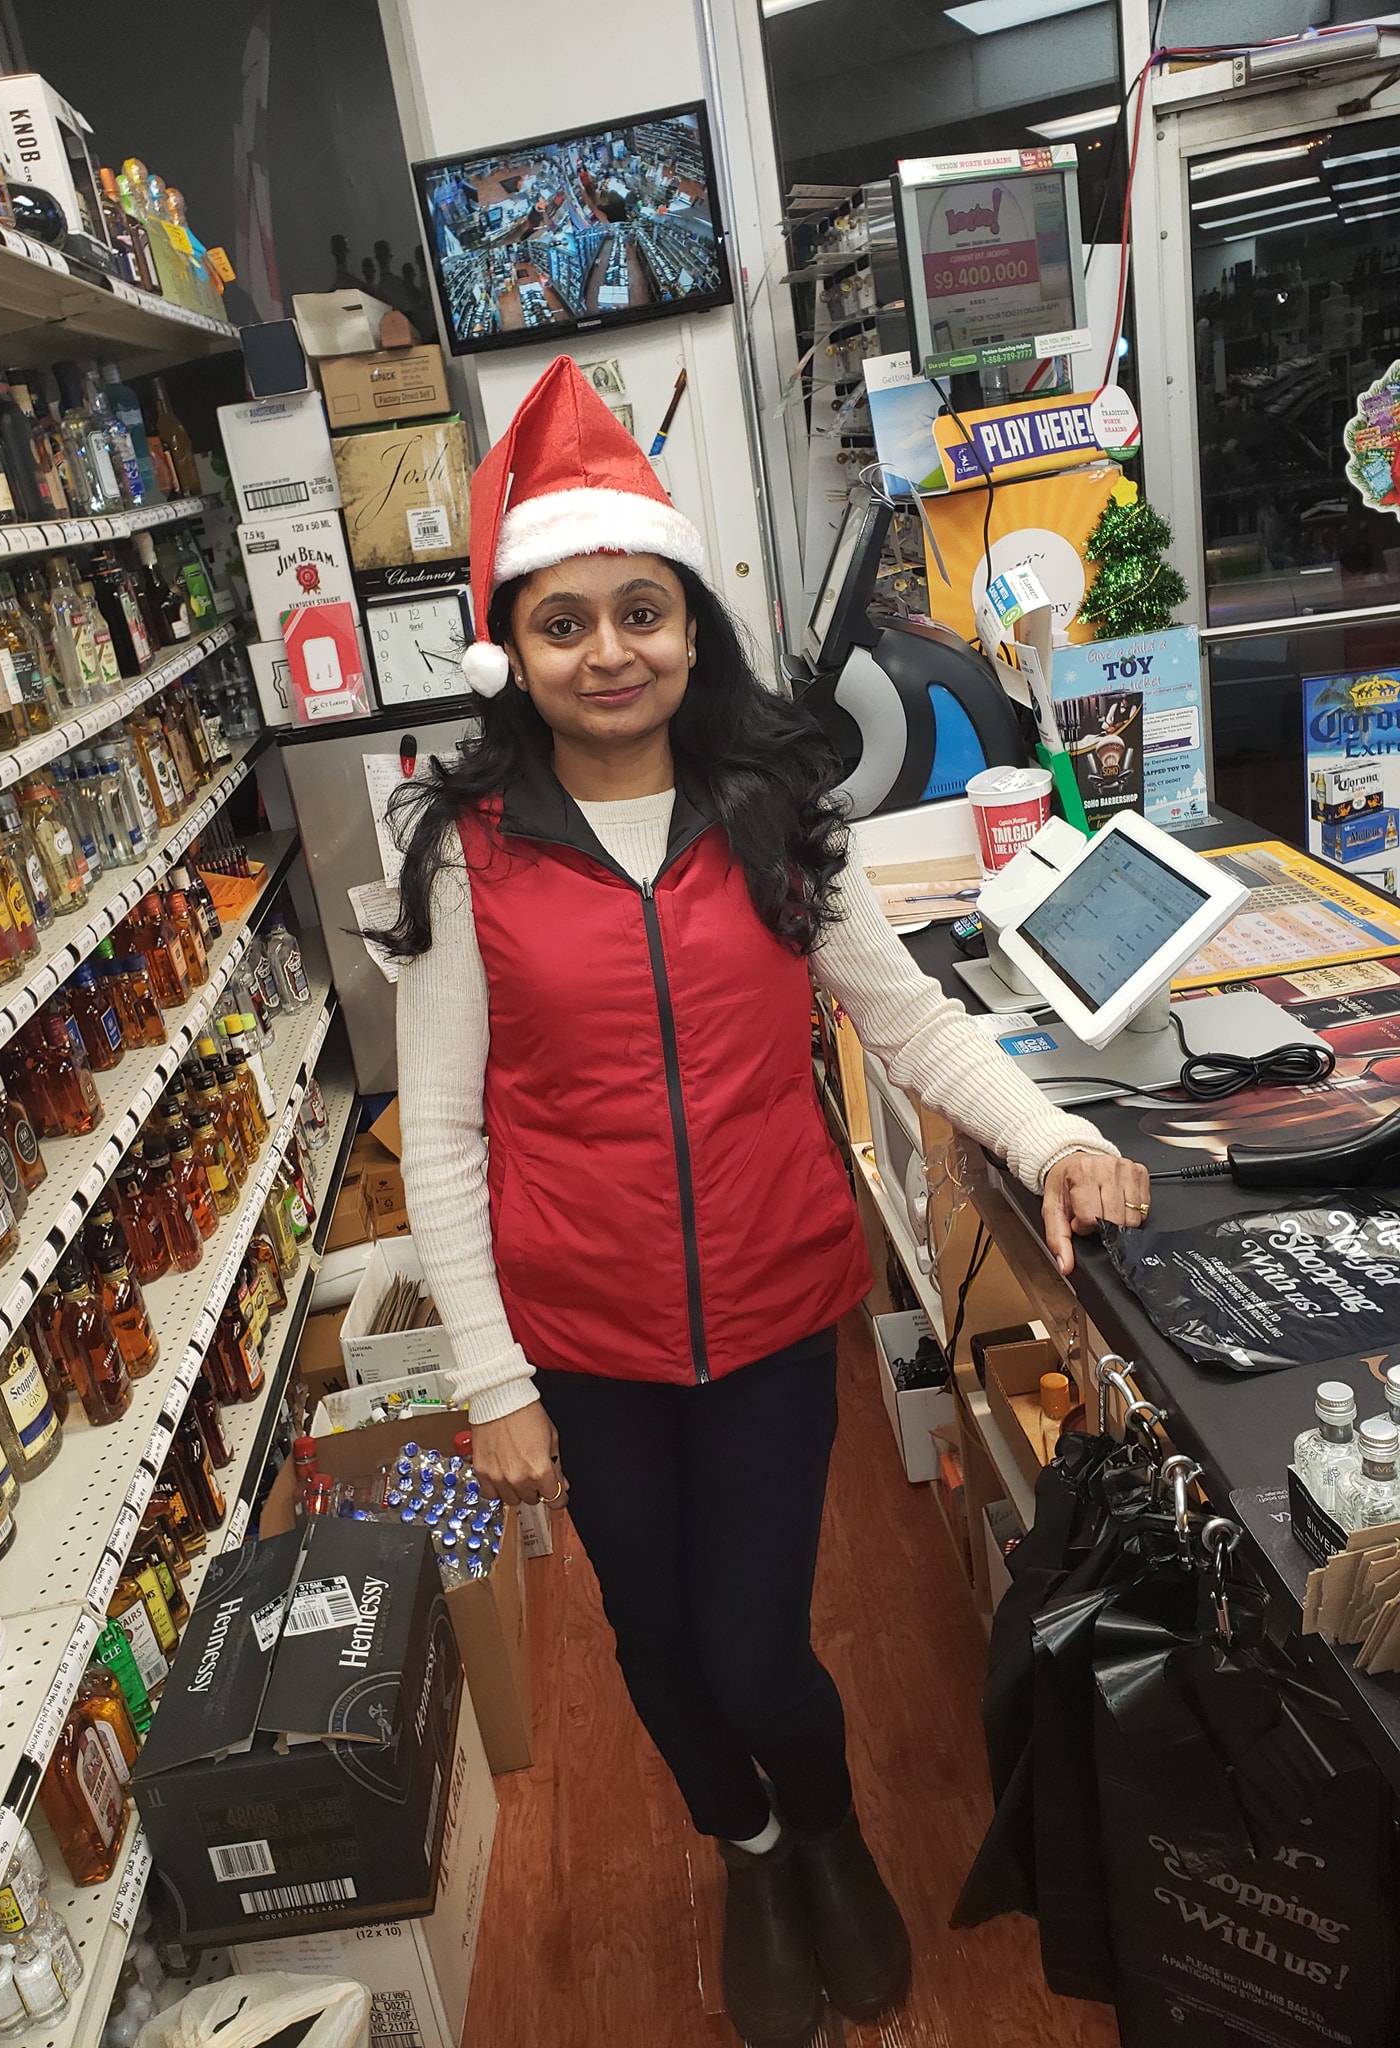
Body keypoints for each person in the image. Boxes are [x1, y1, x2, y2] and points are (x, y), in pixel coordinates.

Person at [379, 357, 1150, 2048]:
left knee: (754, 1647)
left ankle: (830, 1828)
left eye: (639, 612)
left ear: (690, 625)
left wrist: (1051, 1141)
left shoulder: (780, 814)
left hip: (773, 1308)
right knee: (654, 1645)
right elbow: (436, 1133)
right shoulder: (464, 853)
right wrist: (491, 1379)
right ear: (514, 648)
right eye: (565, 622)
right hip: (581, 1331)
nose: (609, 651)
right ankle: (751, 1854)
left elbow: (912, 1021)